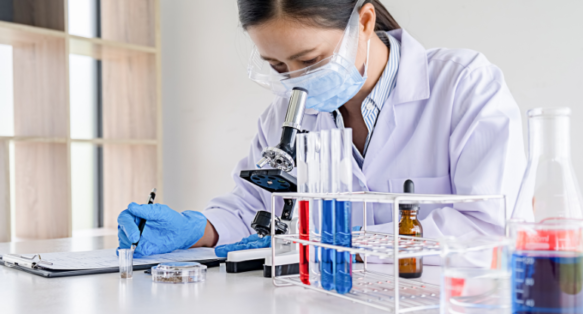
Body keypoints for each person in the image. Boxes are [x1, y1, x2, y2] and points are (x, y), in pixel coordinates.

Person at [118, 0, 526, 259]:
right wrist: (199, 230)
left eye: (310, 60)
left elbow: (485, 227)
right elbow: (253, 209)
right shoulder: (285, 117)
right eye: (278, 67)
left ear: (364, 22)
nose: (296, 82)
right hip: (329, 313)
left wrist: (347, 245)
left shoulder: (464, 85)